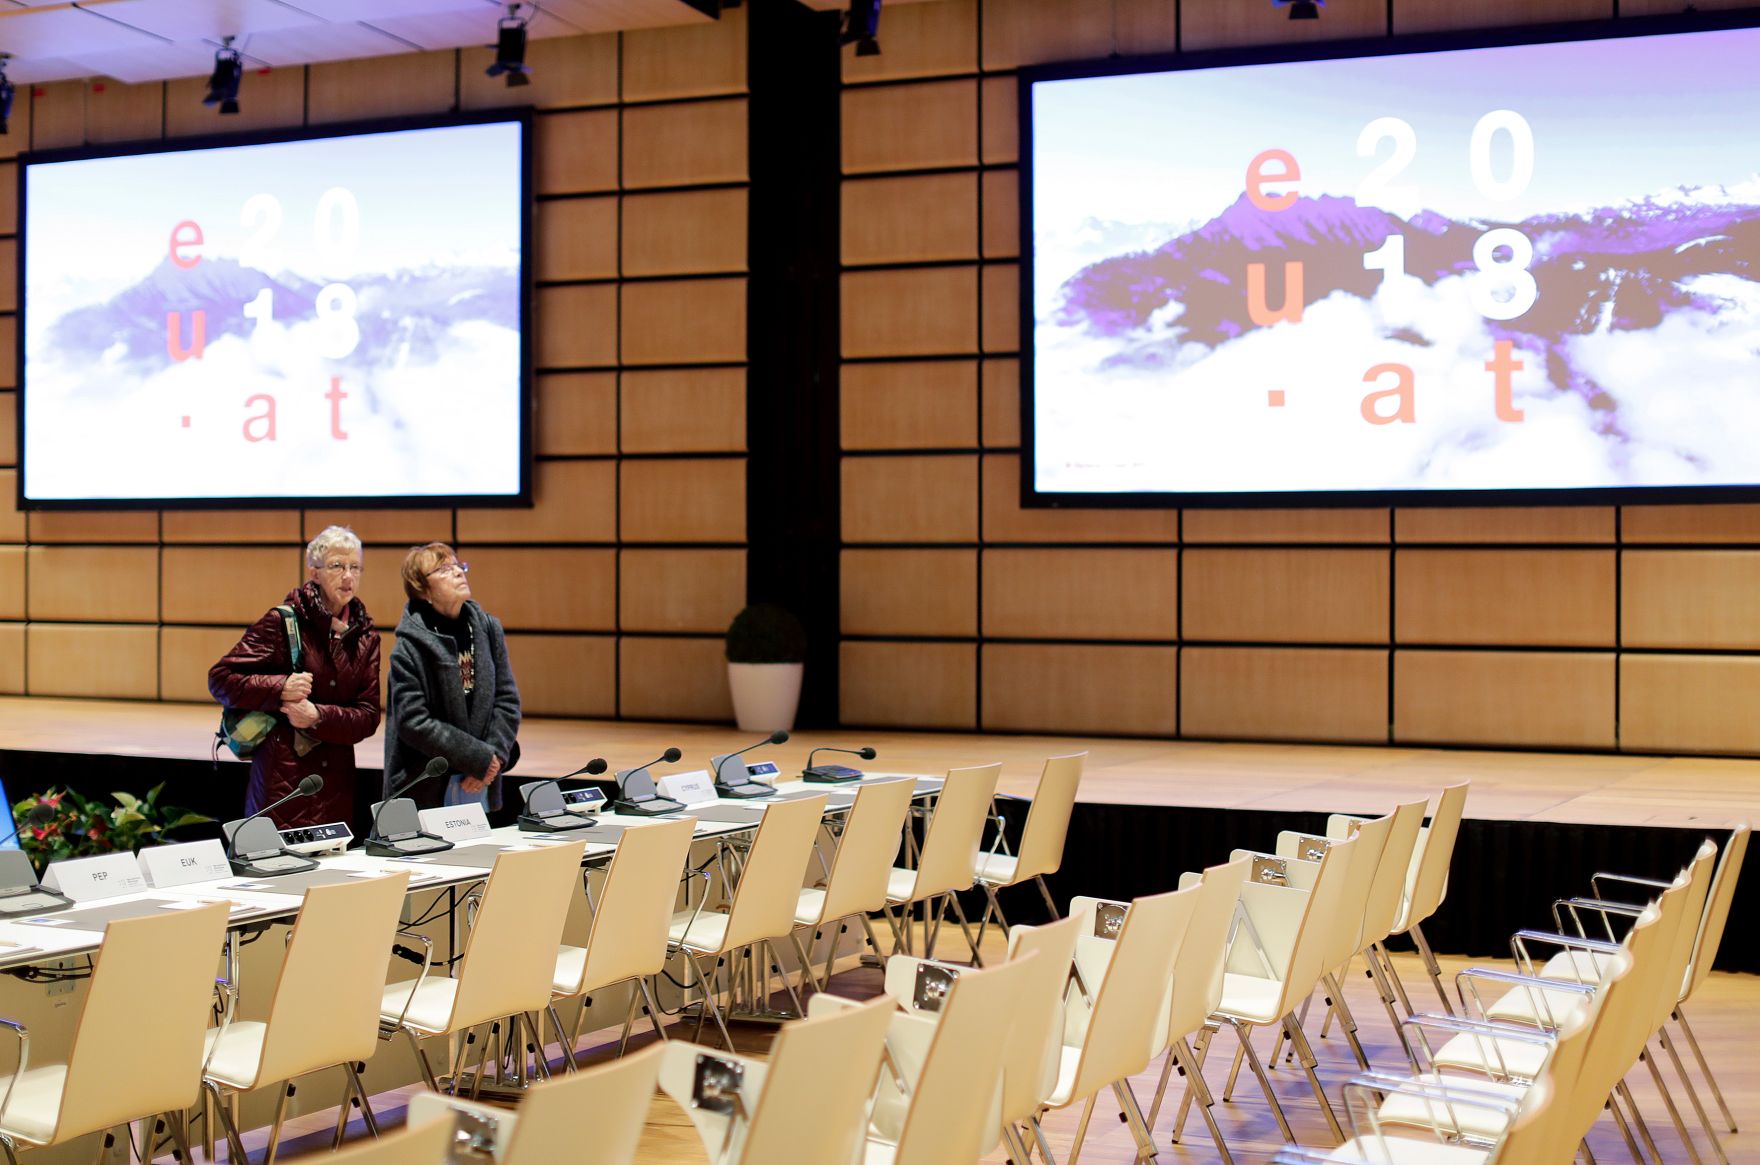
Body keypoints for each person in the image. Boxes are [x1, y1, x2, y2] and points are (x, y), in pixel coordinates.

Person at [209, 526, 381, 829]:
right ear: (314, 572)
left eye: (355, 567)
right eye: (337, 566)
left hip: (336, 785)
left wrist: (317, 716)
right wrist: (280, 688)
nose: (348, 577)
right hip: (283, 781)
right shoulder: (283, 622)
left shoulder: (366, 636)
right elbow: (221, 679)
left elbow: (368, 717)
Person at [385, 543, 521, 811]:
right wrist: (477, 758)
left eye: (459, 565)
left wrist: (492, 758)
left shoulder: (487, 628)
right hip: (425, 785)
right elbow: (414, 722)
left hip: (479, 780)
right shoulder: (409, 647)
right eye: (444, 569)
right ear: (423, 590)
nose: (458, 572)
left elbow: (507, 700)